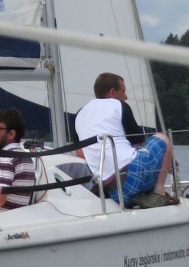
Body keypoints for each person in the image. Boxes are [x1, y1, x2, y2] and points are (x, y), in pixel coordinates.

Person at [74, 72, 175, 205]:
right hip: (133, 179)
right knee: (164, 140)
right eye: (123, 91)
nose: (126, 96)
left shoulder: (79, 114)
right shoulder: (119, 106)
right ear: (112, 92)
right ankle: (159, 192)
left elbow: (80, 154)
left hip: (113, 192)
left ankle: (137, 197)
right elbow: (140, 144)